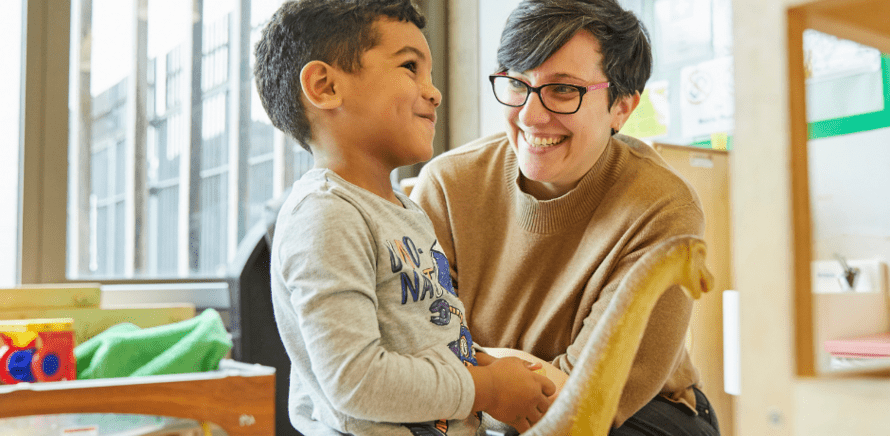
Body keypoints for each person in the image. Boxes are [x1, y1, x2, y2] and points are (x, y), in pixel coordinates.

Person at [410, 0, 721, 435]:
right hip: (484, 410)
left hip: (636, 415)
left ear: (622, 108)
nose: (530, 116)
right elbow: (414, 353)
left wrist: (473, 372)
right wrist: (478, 381)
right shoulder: (447, 185)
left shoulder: (662, 207)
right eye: (518, 84)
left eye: (563, 90)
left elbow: (580, 397)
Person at [254, 1, 555, 435]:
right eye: (410, 67)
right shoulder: (326, 215)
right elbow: (354, 380)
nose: (434, 92)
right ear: (324, 86)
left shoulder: (404, 211)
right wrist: (484, 387)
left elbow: (427, 332)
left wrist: (483, 365)